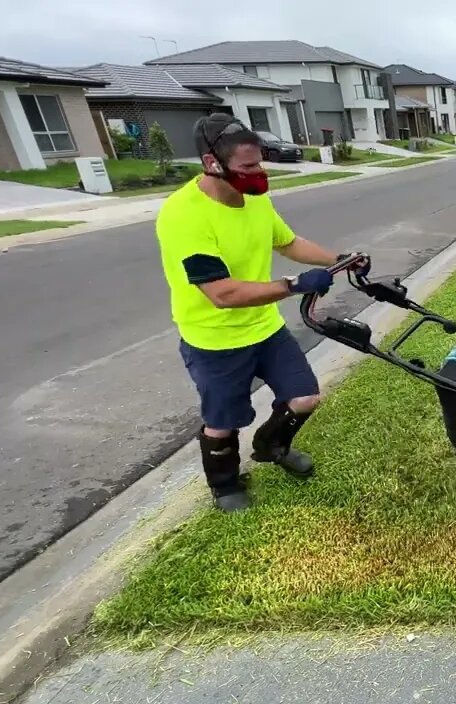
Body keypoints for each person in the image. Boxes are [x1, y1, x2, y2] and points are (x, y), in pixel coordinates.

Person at [155, 113, 367, 512]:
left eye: (260, 162)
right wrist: (293, 285)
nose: (259, 172)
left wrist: (342, 260)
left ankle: (271, 446)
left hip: (265, 329)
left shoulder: (255, 199)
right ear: (212, 163)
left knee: (304, 397)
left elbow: (287, 243)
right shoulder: (184, 214)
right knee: (224, 421)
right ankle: (225, 484)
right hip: (214, 338)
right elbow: (222, 293)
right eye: (248, 166)